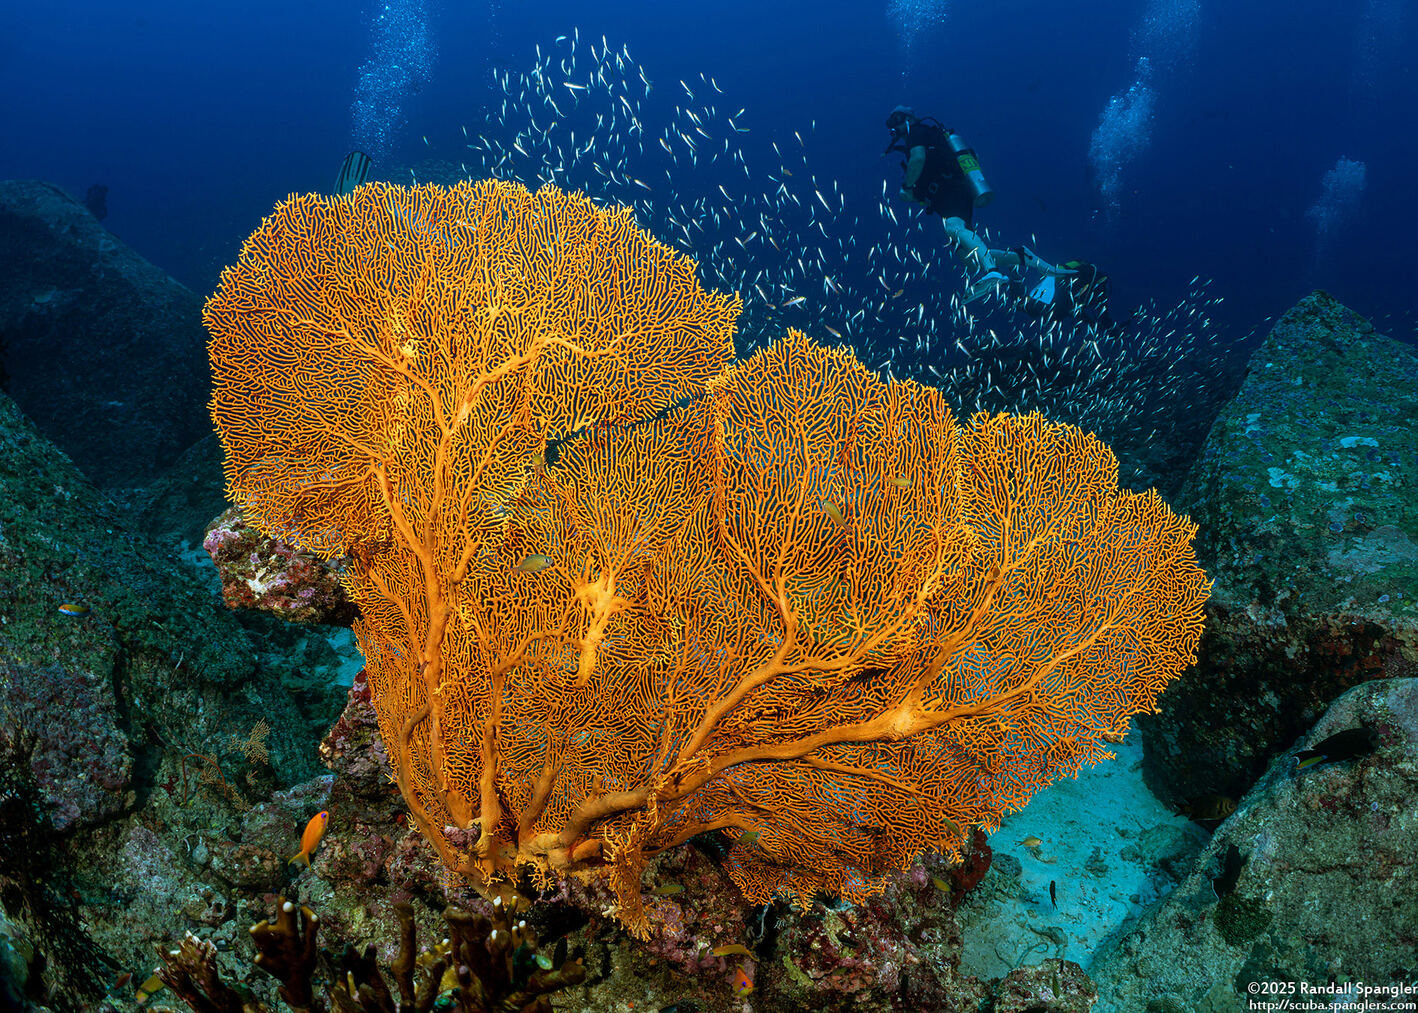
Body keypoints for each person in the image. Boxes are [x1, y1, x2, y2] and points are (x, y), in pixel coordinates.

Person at [884, 107, 1123, 332]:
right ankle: (1020, 256)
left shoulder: (917, 132)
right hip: (948, 195)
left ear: (904, 118)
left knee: (955, 229)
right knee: (969, 259)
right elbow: (923, 182)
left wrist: (906, 187)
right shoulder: (924, 138)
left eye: (894, 122)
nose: (894, 130)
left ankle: (992, 270)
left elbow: (917, 159)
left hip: (952, 191)